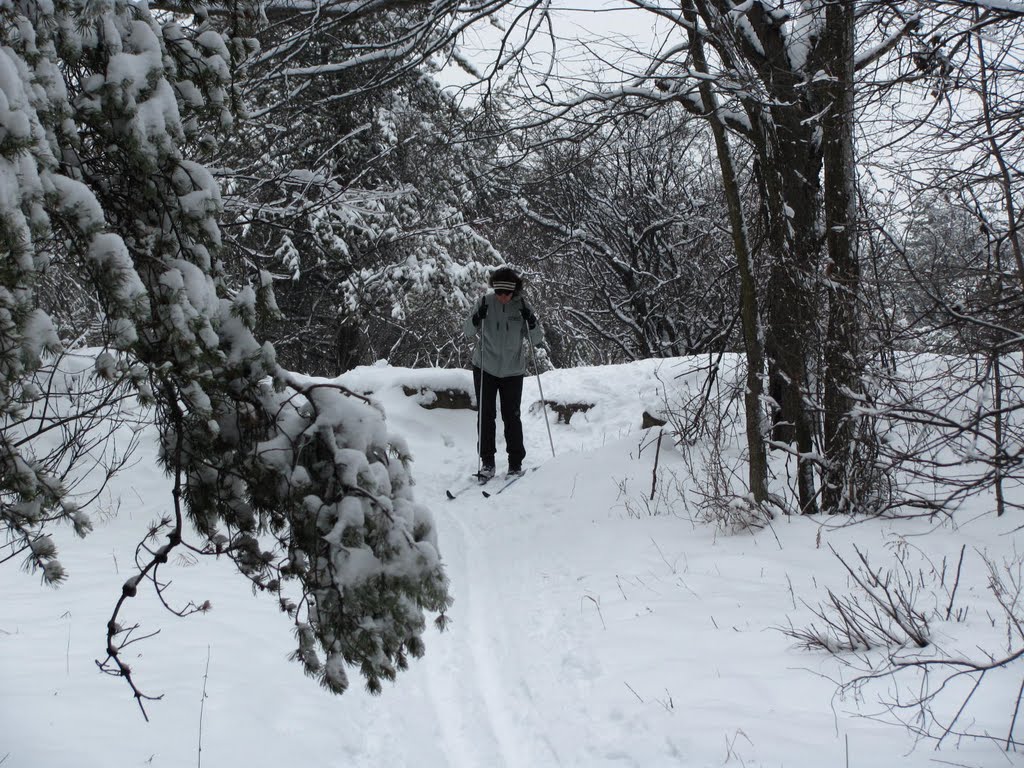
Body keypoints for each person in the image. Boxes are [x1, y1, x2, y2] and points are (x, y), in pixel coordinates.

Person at [463, 266, 543, 479]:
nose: (503, 297)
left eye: (507, 293)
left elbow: (536, 339)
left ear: (514, 291)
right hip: (485, 367)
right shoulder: (485, 302)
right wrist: (476, 318)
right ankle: (487, 463)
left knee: (512, 416)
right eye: (499, 293)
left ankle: (515, 463)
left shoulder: (523, 305)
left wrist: (531, 321)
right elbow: (467, 332)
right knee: (486, 415)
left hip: (512, 370)